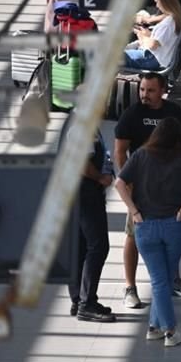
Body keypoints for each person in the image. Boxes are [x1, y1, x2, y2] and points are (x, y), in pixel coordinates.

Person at [115, 117, 181, 348]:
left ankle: (154, 327)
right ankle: (170, 331)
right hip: (174, 226)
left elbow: (119, 183)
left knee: (162, 280)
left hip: (144, 227)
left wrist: (134, 211)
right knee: (162, 280)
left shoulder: (140, 156)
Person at [113, 73, 181, 307]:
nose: (144, 95)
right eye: (142, 90)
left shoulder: (174, 113)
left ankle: (174, 279)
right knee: (133, 233)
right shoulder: (132, 114)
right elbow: (120, 150)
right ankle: (130, 287)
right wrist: (127, 180)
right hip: (142, 186)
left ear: (162, 91)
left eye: (150, 90)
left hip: (170, 185)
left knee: (172, 233)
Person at [67, 129, 115, 323]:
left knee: (81, 246)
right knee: (98, 246)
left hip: (77, 192)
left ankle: (79, 299)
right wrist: (100, 178)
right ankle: (86, 303)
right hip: (85, 192)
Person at [125, 0, 181, 71]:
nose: (157, 6)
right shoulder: (174, 18)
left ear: (164, 1)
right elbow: (160, 41)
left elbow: (153, 45)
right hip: (155, 57)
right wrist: (148, 35)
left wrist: (143, 36)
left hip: (152, 59)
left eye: (157, 2)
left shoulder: (168, 24)